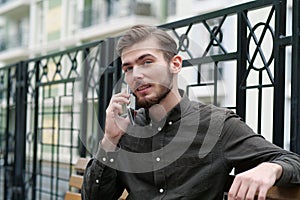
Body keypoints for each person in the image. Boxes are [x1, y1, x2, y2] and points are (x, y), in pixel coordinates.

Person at [82, 25, 300, 200]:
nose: (136, 75)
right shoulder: (126, 130)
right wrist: (109, 140)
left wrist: (270, 168)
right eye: (128, 68)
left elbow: (292, 161)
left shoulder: (217, 125)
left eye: (147, 62)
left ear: (175, 64)